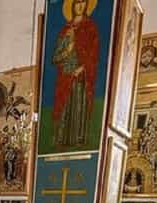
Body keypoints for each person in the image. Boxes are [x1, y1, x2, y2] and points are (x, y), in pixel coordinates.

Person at [51, 0, 99, 149]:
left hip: (80, 74)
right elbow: (55, 58)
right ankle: (61, 140)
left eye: (82, 2)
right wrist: (67, 50)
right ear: (72, 6)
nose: (79, 5)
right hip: (65, 75)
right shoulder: (65, 30)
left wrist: (83, 67)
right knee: (64, 106)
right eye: (77, 2)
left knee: (78, 105)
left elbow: (93, 54)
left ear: (86, 5)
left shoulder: (90, 27)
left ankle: (77, 139)